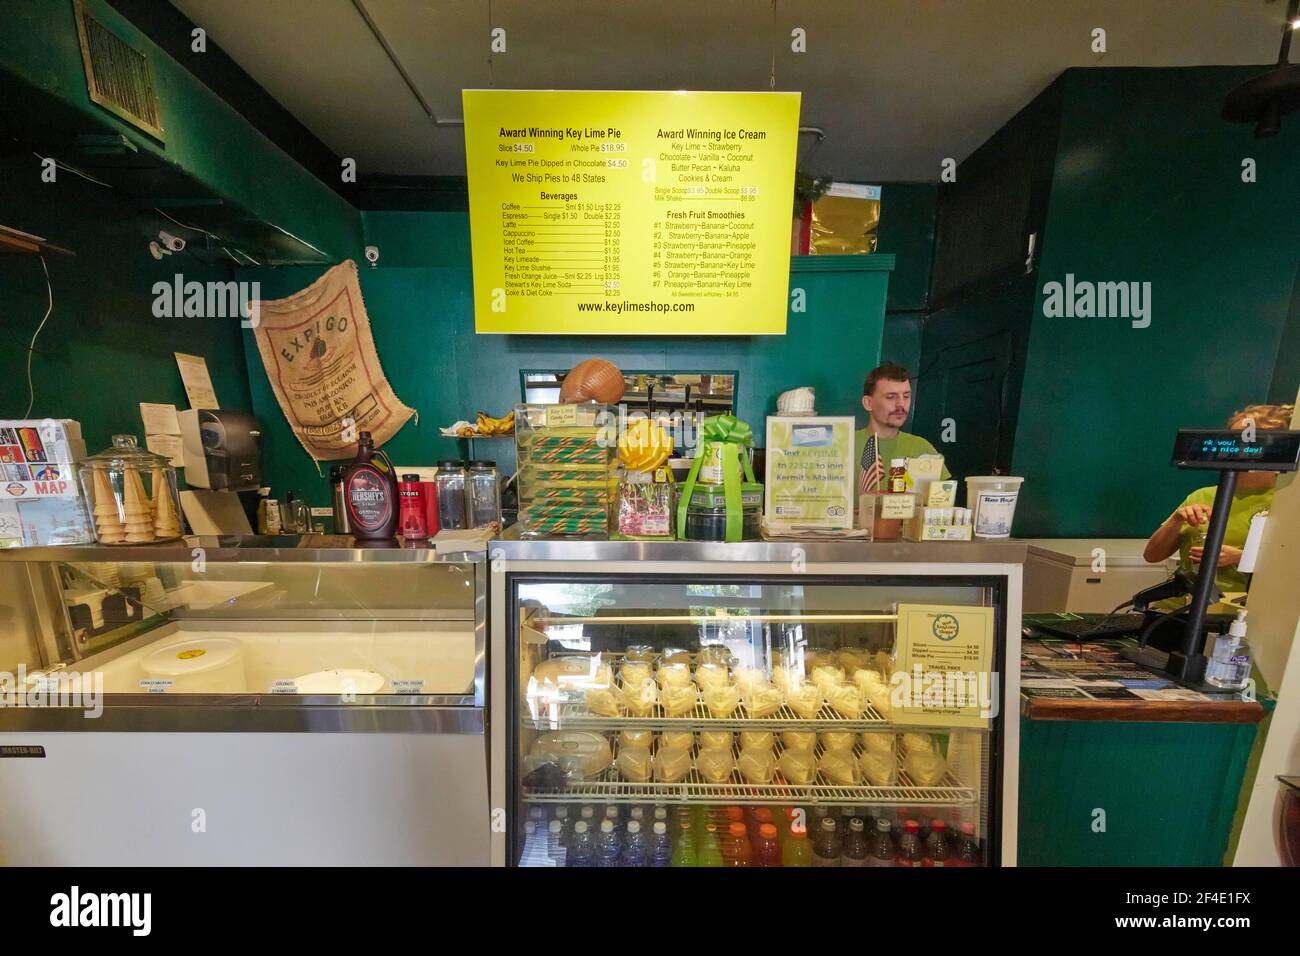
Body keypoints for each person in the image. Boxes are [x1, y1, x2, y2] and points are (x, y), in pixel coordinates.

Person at [1143, 403, 1293, 596]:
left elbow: (1290, 566)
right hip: (1177, 608)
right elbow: (1151, 555)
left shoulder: (1286, 504)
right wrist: (1177, 520)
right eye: (1235, 438)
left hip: (1237, 614)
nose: (1240, 447)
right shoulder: (1202, 496)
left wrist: (1240, 557)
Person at [854, 362, 948, 492]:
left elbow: (942, 500)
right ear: (868, 403)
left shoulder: (922, 448)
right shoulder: (846, 444)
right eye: (891, 397)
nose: (901, 404)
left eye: (906, 396)